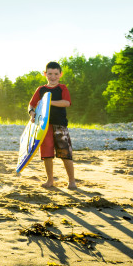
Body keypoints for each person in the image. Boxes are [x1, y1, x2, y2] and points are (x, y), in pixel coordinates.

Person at [28, 61, 77, 189]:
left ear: (60, 74)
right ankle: (50, 180)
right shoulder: (41, 89)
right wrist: (31, 113)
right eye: (50, 74)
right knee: (47, 154)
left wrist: (49, 102)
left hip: (60, 125)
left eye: (56, 74)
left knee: (65, 153)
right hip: (44, 127)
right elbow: (31, 104)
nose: (53, 77)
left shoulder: (62, 88)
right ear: (45, 74)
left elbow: (66, 103)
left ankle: (72, 181)